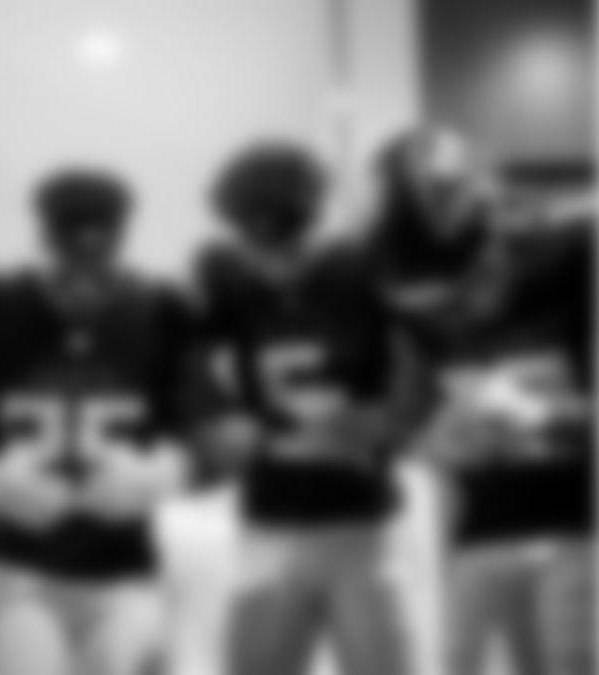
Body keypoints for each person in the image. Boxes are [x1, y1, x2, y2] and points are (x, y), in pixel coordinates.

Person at [0, 167, 220, 675]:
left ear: (121, 244)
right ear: (44, 242)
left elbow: (229, 439)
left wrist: (172, 473)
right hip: (17, 570)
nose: (84, 284)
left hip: (128, 571)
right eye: (70, 260)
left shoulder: (166, 311)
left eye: (100, 262)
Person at [371, 126, 597, 675]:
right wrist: (434, 441)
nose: (451, 314)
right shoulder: (413, 302)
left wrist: (556, 416)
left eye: (462, 294)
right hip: (490, 521)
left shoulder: (577, 262)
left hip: (589, 517)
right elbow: (409, 419)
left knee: (572, 654)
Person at [195, 140, 413, 675]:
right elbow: (188, 373)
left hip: (360, 515)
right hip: (269, 514)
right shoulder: (220, 275)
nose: (276, 261)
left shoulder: (364, 268)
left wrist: (389, 420)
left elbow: (420, 375)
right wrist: (216, 421)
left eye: (288, 240)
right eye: (258, 243)